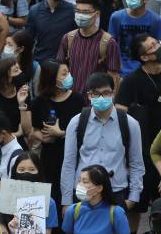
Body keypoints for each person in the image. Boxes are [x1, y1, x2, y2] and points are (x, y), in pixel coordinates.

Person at [60, 72, 144, 212]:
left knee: (116, 233)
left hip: (116, 191)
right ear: (89, 95)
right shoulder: (77, 122)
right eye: (96, 94)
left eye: (105, 93)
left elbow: (136, 163)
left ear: (113, 93)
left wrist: (133, 199)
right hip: (83, 192)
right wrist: (66, 201)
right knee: (81, 233)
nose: (101, 97)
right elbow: (68, 163)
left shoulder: (130, 124)